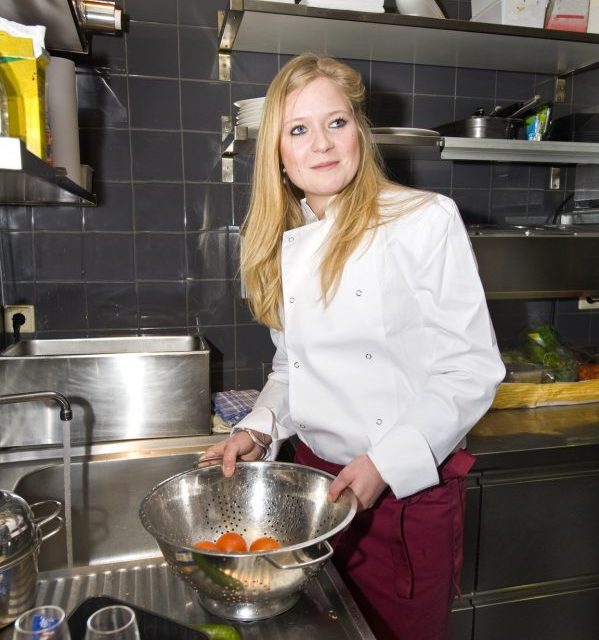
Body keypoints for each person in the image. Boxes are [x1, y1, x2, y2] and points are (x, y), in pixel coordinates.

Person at [203, 53, 505, 640]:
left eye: (336, 122)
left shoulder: (423, 220)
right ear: (279, 158)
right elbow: (292, 368)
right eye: (299, 129)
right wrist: (259, 428)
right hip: (313, 486)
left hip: (404, 493)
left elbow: (470, 369)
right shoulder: (280, 243)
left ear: (359, 134)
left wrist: (382, 467)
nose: (322, 143)